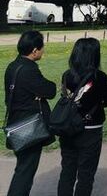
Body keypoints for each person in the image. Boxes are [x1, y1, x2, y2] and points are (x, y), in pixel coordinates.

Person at [57, 38, 107, 196]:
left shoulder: (66, 75)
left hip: (68, 127)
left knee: (68, 170)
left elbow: (66, 98)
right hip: (91, 128)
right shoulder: (99, 77)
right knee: (86, 173)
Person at [4, 30, 56, 196]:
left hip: (16, 122)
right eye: (42, 48)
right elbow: (50, 90)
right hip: (29, 126)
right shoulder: (29, 70)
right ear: (34, 50)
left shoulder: (12, 66)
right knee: (25, 172)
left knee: (23, 168)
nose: (43, 51)